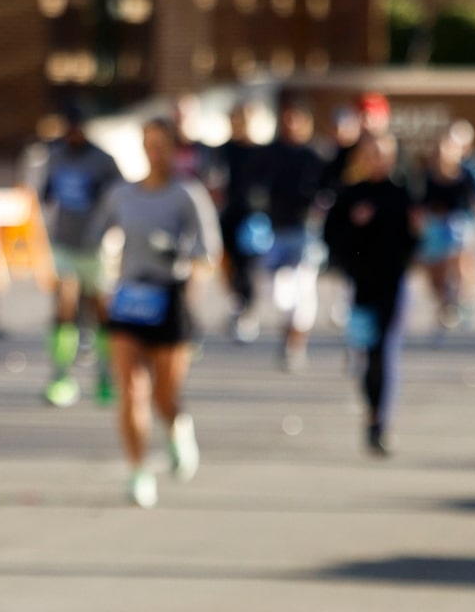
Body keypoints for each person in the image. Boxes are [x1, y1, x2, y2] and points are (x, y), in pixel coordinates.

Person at [99, 116, 221, 508]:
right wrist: (100, 284)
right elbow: (96, 240)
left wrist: (181, 261)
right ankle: (138, 472)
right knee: (132, 391)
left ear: (174, 149)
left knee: (164, 396)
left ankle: (176, 428)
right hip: (130, 300)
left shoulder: (187, 195)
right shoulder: (122, 195)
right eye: (148, 143)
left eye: (162, 144)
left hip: (170, 299)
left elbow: (209, 254)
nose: (155, 152)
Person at [326, 131, 419, 455]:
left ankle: (382, 421)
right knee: (365, 353)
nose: (377, 158)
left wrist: (419, 230)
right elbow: (332, 238)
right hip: (362, 285)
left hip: (394, 284)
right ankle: (371, 413)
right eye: (371, 153)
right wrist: (354, 225)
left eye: (383, 152)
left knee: (385, 350)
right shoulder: (351, 194)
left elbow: (416, 240)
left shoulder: (405, 193)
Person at [32, 108, 126, 406]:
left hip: (94, 247)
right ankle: (61, 376)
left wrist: (107, 229)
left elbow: (121, 198)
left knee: (101, 311)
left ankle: (106, 375)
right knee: (64, 306)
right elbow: (44, 193)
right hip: (64, 244)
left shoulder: (102, 161)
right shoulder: (56, 156)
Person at [260, 104, 330, 371]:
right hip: (277, 228)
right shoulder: (272, 153)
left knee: (303, 288)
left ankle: (296, 343)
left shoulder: (315, 155)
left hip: (306, 230)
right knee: (280, 291)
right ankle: (288, 331)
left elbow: (327, 190)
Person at [210, 103, 273, 343]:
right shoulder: (223, 151)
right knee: (225, 263)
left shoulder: (261, 152)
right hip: (227, 215)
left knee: (247, 267)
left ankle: (245, 311)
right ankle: (237, 303)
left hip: (251, 218)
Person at [412, 120, 475, 329]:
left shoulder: (466, 175)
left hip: (459, 225)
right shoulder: (426, 176)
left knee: (463, 256)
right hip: (434, 225)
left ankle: (464, 299)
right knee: (433, 267)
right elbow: (419, 202)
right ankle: (443, 302)